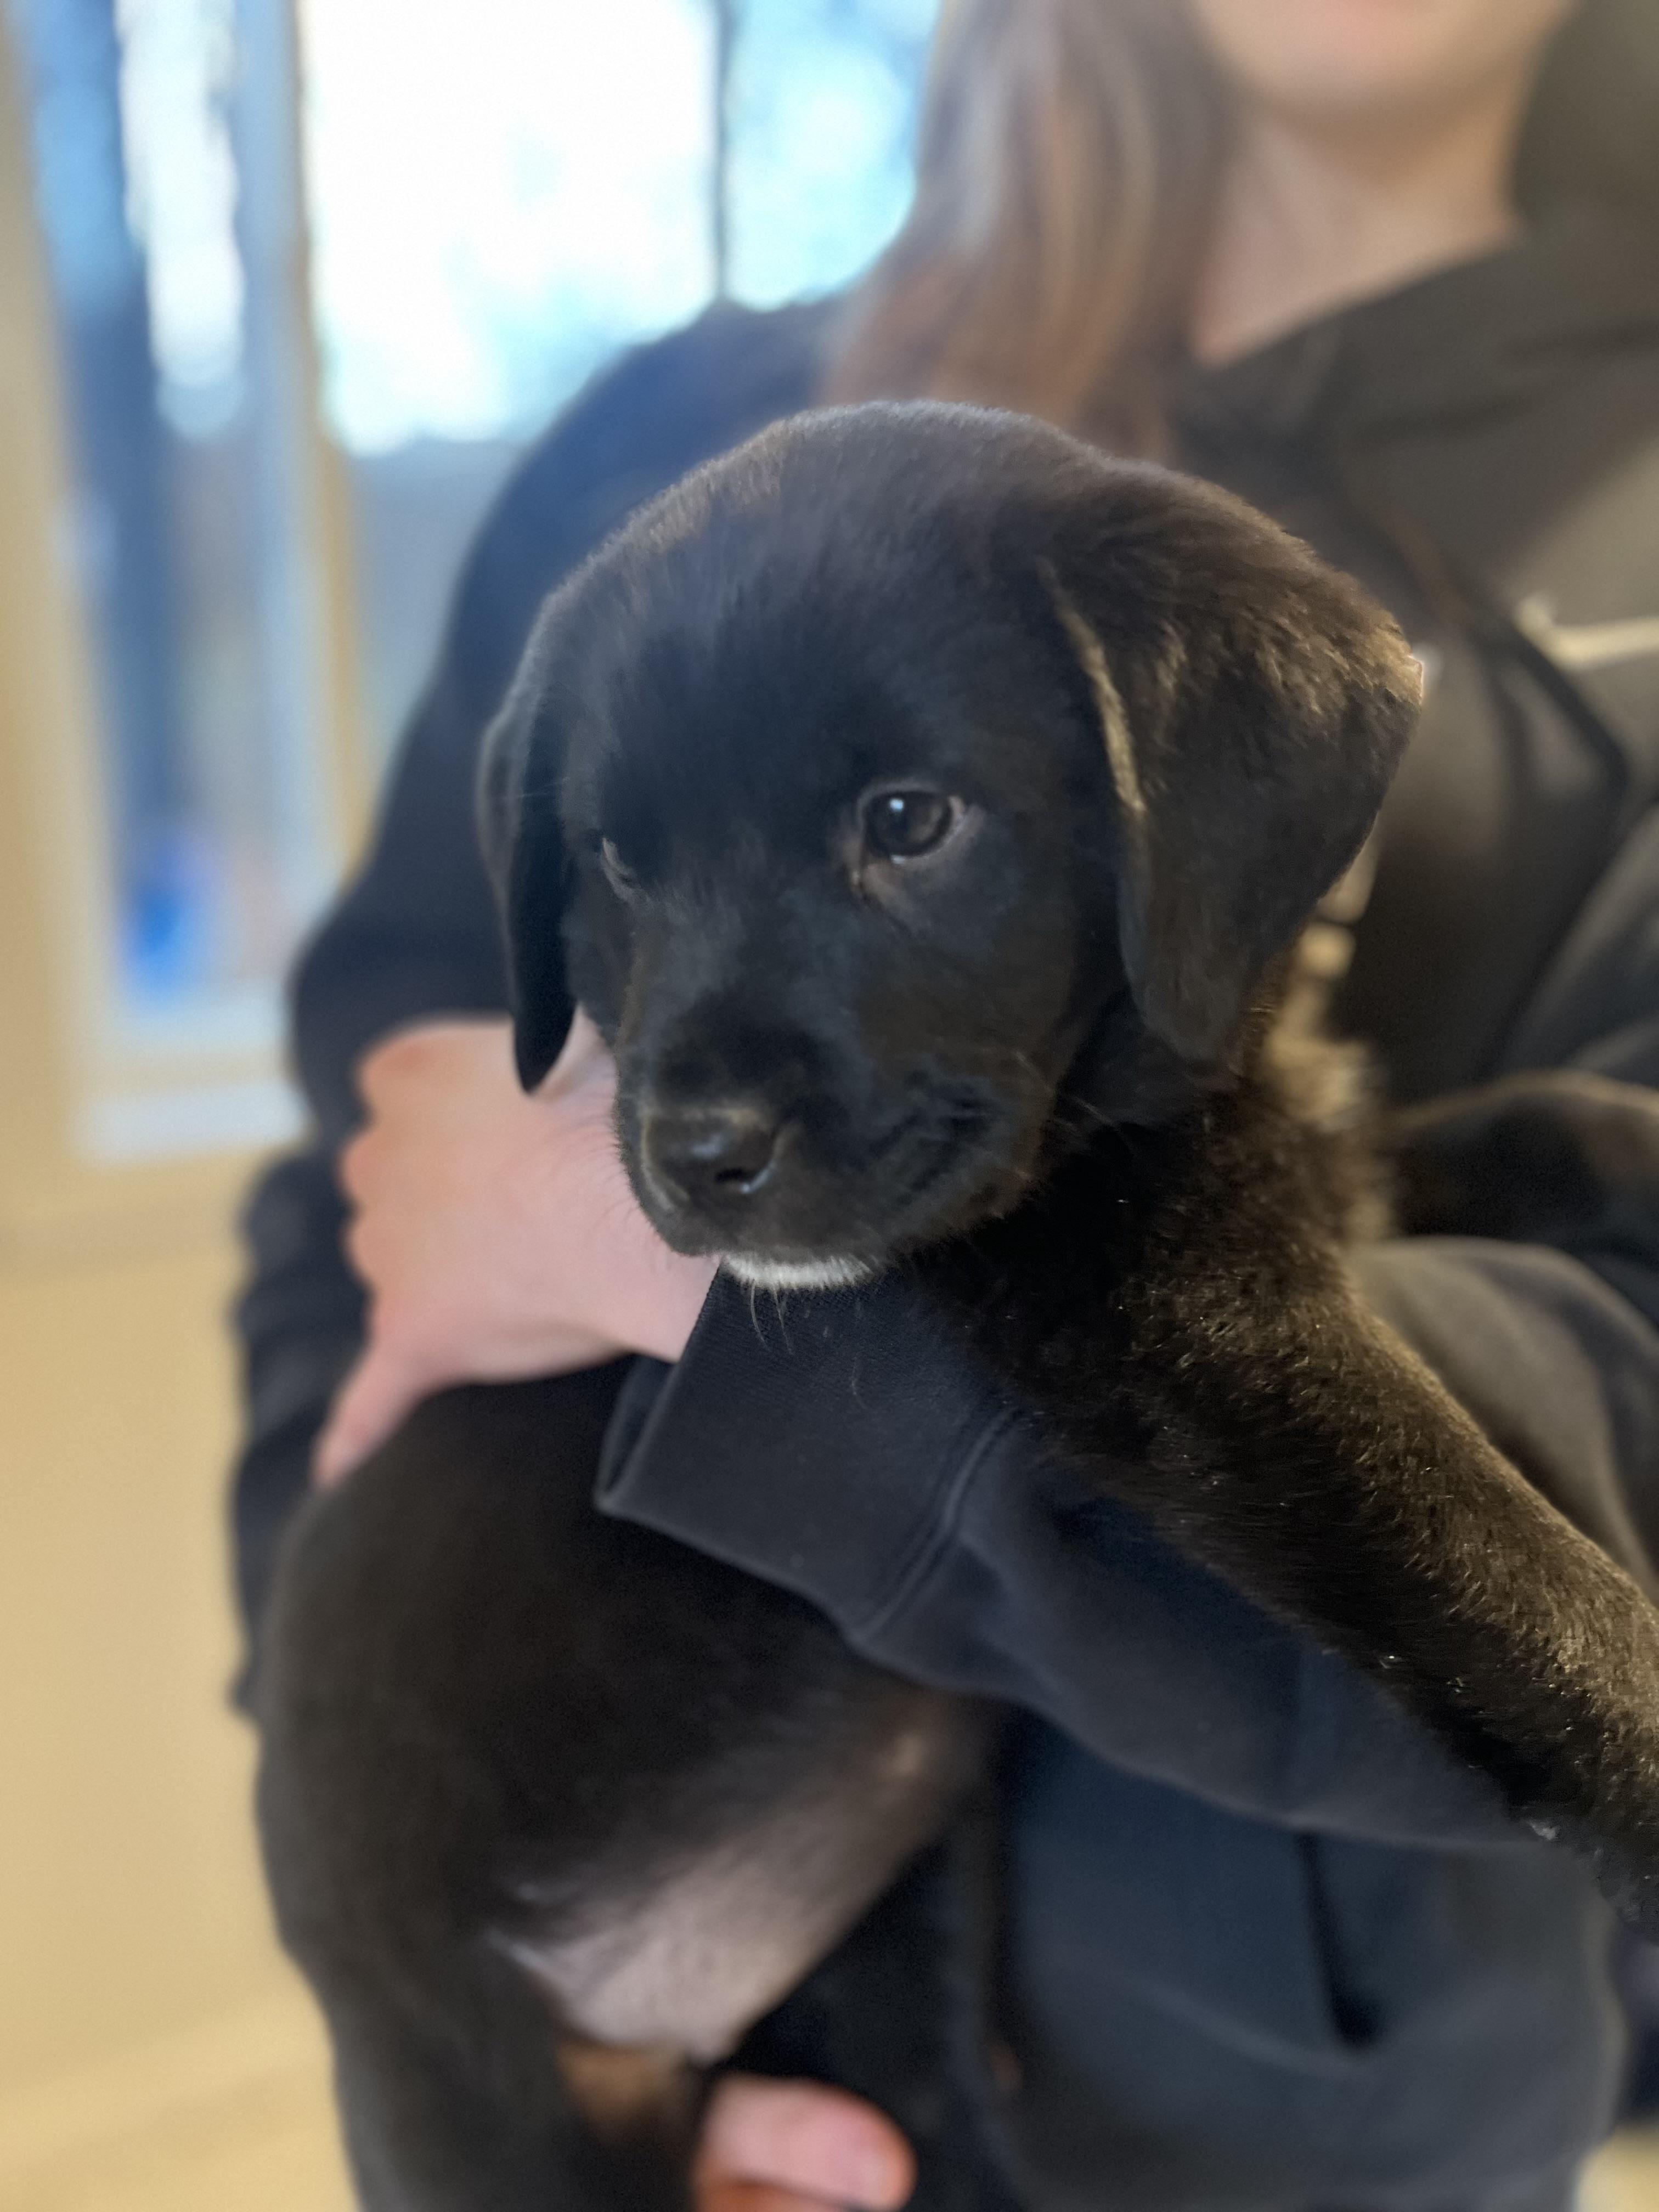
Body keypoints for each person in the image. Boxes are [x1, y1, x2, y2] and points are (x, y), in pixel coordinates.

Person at [233, 3, 1659, 2207]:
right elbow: (385, 1187)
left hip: (1315, 2135)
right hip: (627, 1974)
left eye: (904, 819)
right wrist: (466, 1964)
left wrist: (651, 1271)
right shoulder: (682, 439)